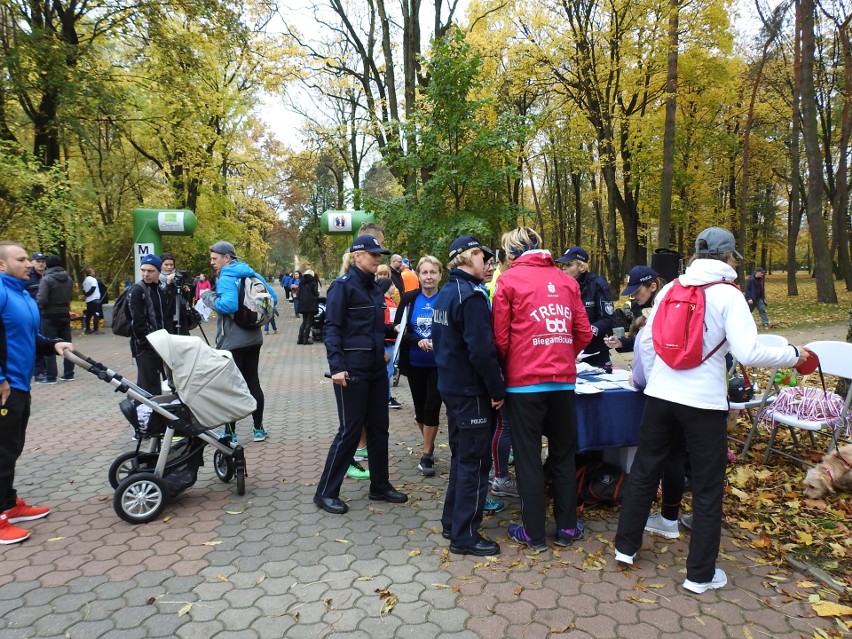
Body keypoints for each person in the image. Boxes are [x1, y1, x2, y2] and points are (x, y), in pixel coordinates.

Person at [614, 227, 810, 594]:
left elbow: (649, 343)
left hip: (660, 397)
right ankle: (700, 575)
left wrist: (657, 380)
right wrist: (793, 354)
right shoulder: (728, 295)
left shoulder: (671, 288)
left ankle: (625, 548)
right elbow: (749, 352)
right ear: (729, 256)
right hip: (703, 404)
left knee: (644, 469)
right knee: (706, 487)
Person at [492, 227, 593, 552]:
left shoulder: (508, 281)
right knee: (563, 455)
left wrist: (513, 365)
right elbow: (583, 332)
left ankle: (533, 532)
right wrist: (562, 354)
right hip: (562, 382)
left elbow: (501, 339)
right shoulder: (567, 280)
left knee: (527, 458)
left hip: (524, 384)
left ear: (511, 253)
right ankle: (566, 528)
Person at [314, 234, 408, 514]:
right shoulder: (342, 287)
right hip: (351, 370)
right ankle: (325, 492)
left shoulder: (375, 288)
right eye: (373, 255)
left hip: (376, 369)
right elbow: (332, 328)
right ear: (357, 256)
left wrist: (396, 335)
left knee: (380, 428)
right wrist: (337, 368)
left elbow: (374, 327)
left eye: (380, 255)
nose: (378, 259)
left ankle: (380, 485)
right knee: (351, 430)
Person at [432, 235, 505, 556]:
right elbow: (482, 351)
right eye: (478, 254)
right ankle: (465, 535)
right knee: (475, 463)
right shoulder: (470, 297)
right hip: (472, 392)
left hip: (453, 388)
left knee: (463, 459)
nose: (485, 260)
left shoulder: (447, 292)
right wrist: (496, 389)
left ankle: (452, 523)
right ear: (461, 258)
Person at [0, 241, 73, 544]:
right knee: (2, 452)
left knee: (12, 448)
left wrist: (54, 344)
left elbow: (32, 336)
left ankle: (9, 504)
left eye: (28, 258)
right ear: (2, 265)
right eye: (21, 259)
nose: (29, 263)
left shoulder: (23, 294)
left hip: (21, 384)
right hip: (6, 388)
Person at [200, 241, 278, 443]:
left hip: (232, 341)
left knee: (230, 386)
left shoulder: (226, 276)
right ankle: (258, 429)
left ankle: (229, 433)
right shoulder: (251, 273)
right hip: (254, 337)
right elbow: (274, 298)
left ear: (227, 258)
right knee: (253, 382)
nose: (212, 262)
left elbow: (228, 305)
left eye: (215, 258)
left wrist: (208, 296)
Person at [394, 255, 443, 476]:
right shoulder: (409, 299)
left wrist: (438, 341)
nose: (428, 277)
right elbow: (398, 329)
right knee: (420, 411)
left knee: (432, 407)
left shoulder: (446, 299)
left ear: (440, 275)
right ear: (419, 275)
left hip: (439, 364)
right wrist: (417, 341)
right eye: (425, 272)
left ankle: (426, 454)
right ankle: (429, 444)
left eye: (433, 272)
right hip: (414, 362)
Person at [555, 246, 614, 369]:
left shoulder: (597, 284)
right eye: (563, 265)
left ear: (581, 267)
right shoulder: (559, 286)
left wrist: (583, 335)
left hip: (595, 350)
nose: (563, 269)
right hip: (569, 350)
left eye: (569, 265)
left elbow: (606, 318)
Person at [127, 254, 169, 395]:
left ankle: (158, 415)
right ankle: (147, 415)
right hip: (145, 346)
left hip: (159, 344)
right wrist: (146, 345)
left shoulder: (159, 289)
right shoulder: (138, 290)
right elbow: (137, 322)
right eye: (143, 270)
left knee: (157, 384)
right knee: (147, 386)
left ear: (158, 271)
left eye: (150, 271)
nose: (145, 274)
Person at [36, 255, 75, 384]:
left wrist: (38, 308)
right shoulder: (68, 278)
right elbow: (71, 296)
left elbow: (42, 298)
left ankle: (51, 376)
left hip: (48, 315)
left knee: (51, 344)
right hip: (64, 314)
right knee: (67, 344)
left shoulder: (46, 279)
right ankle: (69, 373)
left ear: (47, 265)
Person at [27, 252, 48, 380]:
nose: (41, 264)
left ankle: (47, 369)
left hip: (47, 314)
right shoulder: (28, 277)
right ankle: (39, 371)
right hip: (33, 314)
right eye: (38, 261)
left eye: (43, 261)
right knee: (36, 341)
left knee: (46, 341)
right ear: (33, 262)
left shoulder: (48, 276)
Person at [297, 270, 320, 344]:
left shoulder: (301, 282)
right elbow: (315, 293)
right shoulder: (313, 282)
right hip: (311, 304)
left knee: (304, 321)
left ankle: (300, 339)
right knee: (309, 322)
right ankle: (306, 340)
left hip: (303, 304)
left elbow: (298, 293)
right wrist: (318, 294)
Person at [81, 267, 104, 334]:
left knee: (89, 314)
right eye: (93, 271)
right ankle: (96, 329)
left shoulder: (85, 281)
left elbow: (84, 290)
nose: (94, 272)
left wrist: (85, 295)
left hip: (88, 301)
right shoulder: (93, 280)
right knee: (96, 314)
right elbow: (93, 288)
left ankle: (87, 329)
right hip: (94, 299)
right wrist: (87, 295)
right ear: (91, 273)